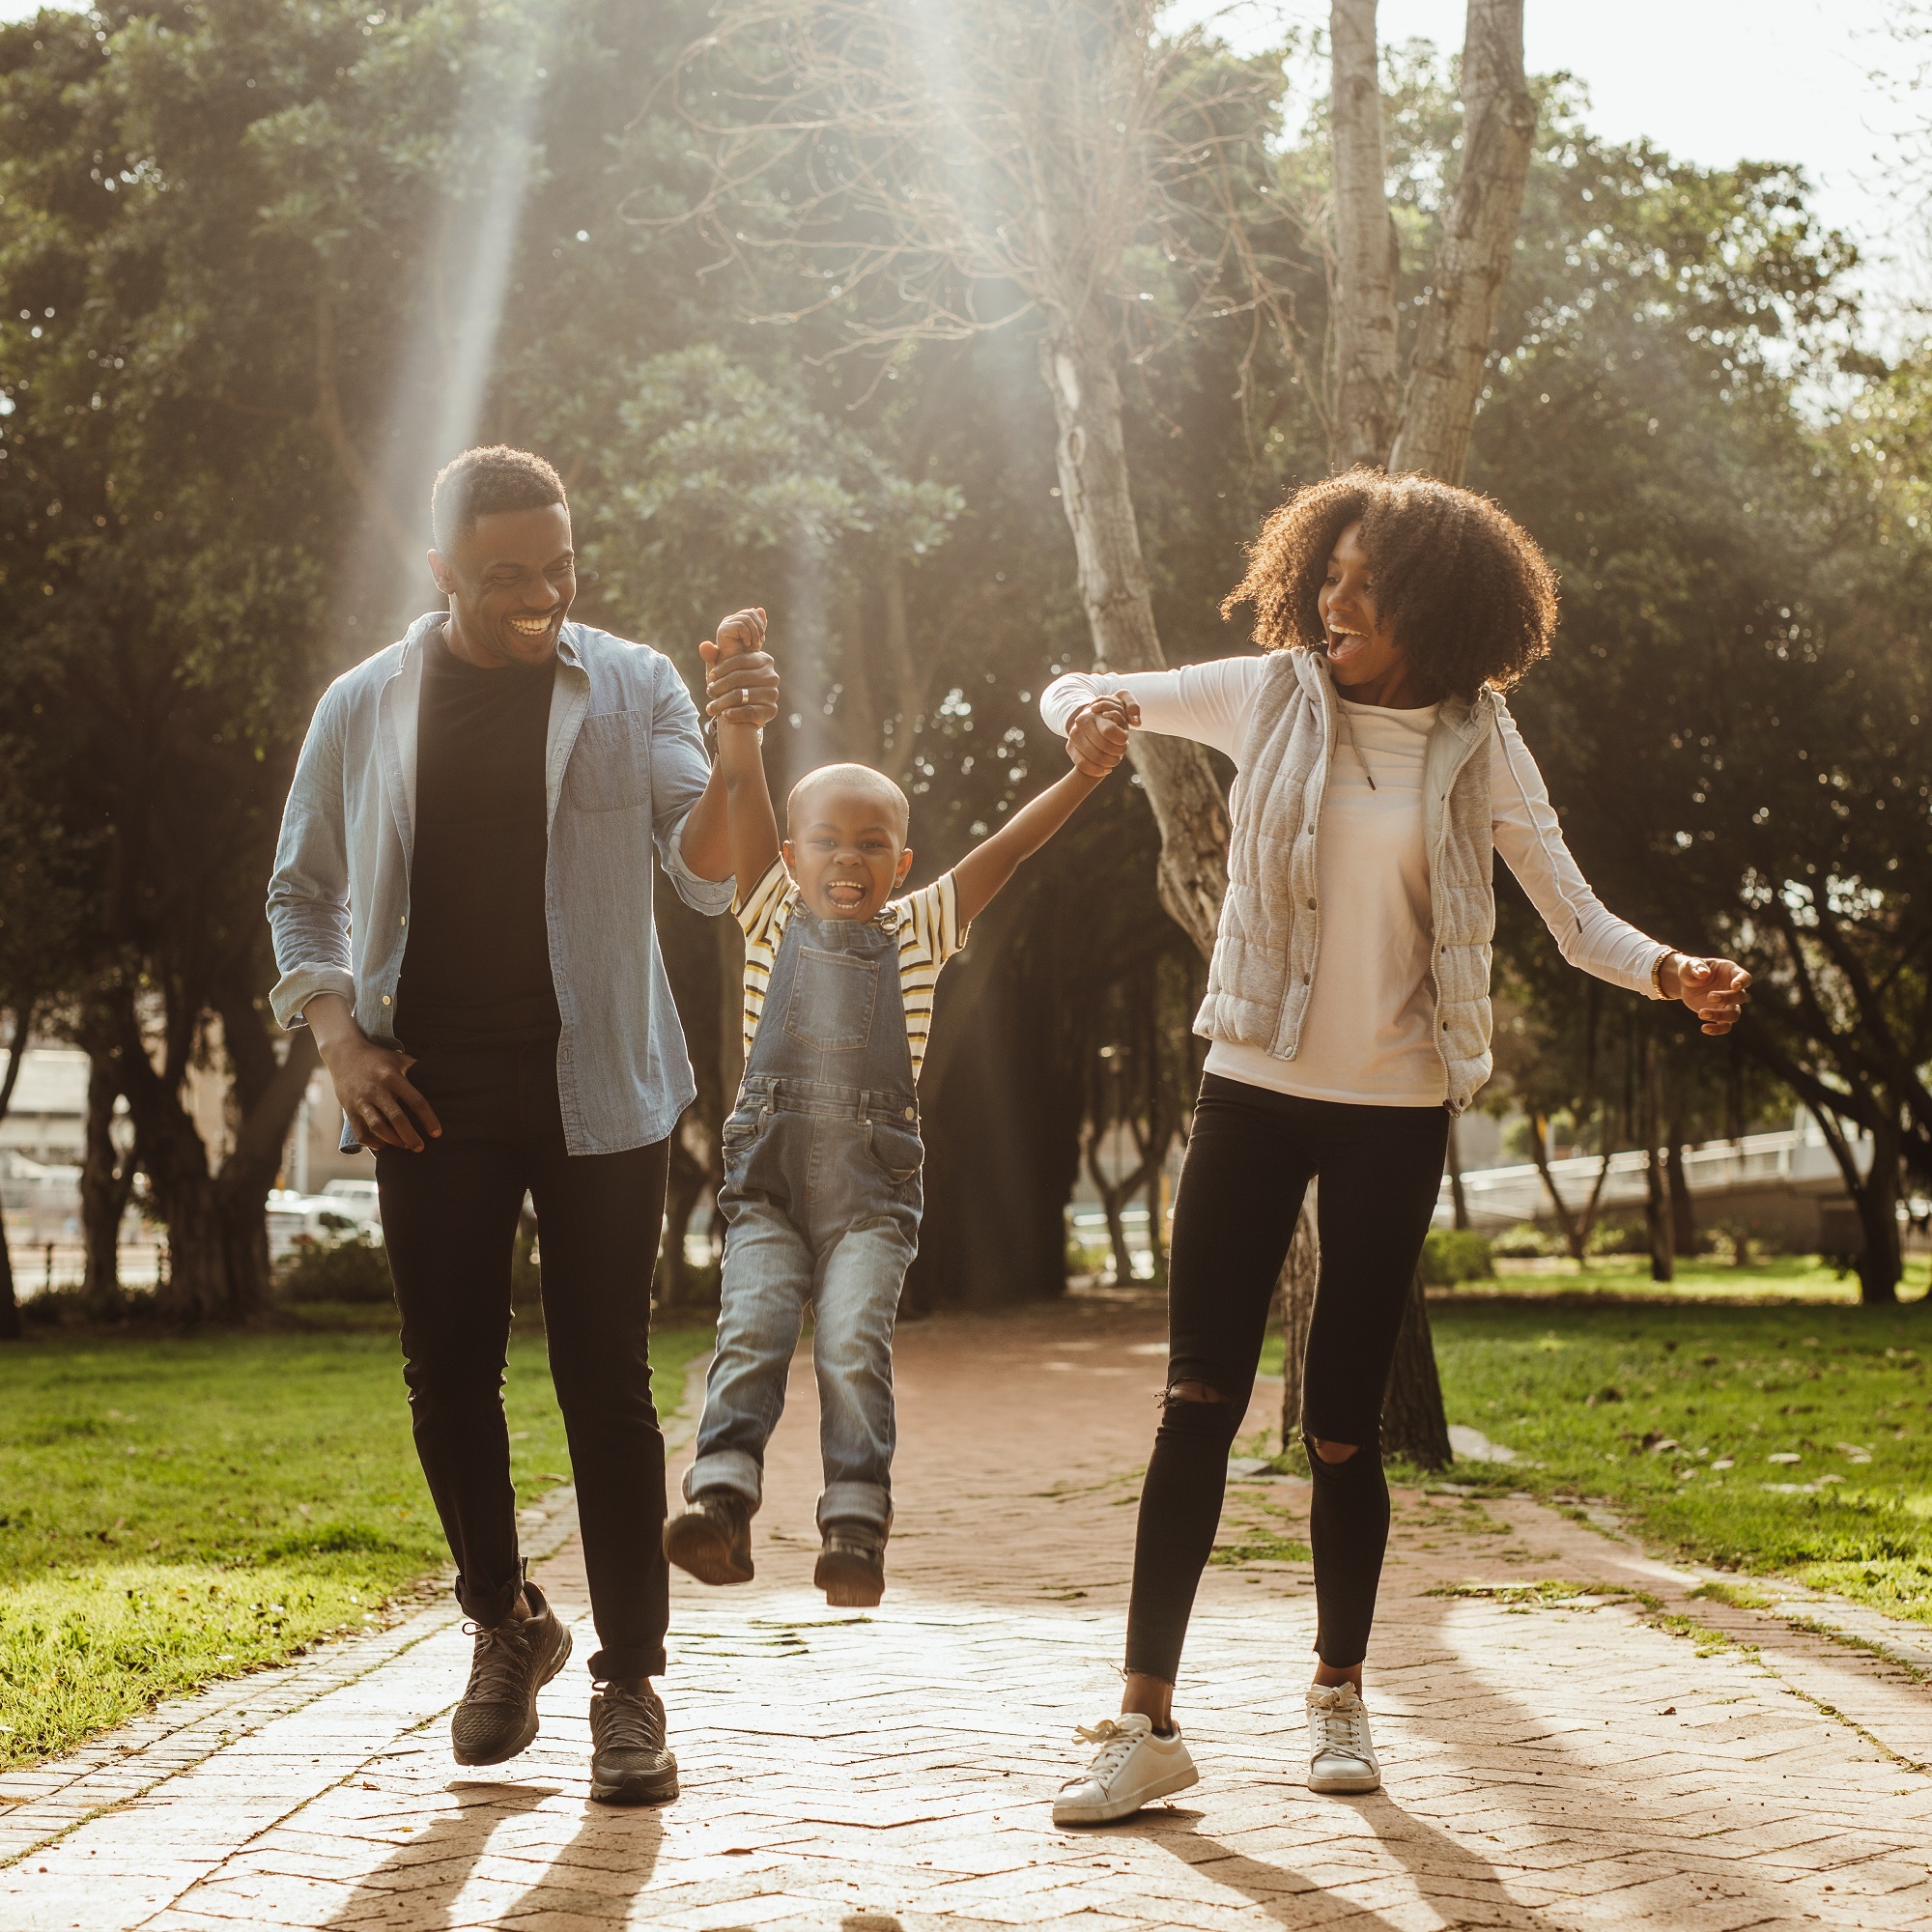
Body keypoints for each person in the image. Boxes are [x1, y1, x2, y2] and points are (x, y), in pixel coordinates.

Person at [1038, 469, 1751, 1824]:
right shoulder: (1268, 697)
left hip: (1394, 1112)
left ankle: (1338, 1697)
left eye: (1366, 584)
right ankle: (1143, 1721)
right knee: (1196, 1403)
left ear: (1437, 605)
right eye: (1328, 574)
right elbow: (1082, 683)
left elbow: (1576, 915)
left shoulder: (1480, 743)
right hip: (1250, 1086)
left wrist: (1672, 972)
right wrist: (1086, 712)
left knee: (1345, 1430)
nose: (1332, 599)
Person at [266, 446, 779, 1805]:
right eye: (508, 576)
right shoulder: (366, 706)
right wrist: (338, 1040)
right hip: (429, 1085)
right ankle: (506, 1622)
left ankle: (629, 1688)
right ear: (443, 573)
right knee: (446, 1374)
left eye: (560, 565)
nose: (542, 593)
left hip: (599, 1079)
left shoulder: (634, 684)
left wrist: (739, 741)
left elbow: (710, 871)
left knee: (603, 1379)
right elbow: (301, 891)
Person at [661, 612, 1133, 1607]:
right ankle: (719, 1499)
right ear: (788, 856)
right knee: (749, 1327)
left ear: (903, 862)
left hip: (872, 1196)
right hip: (768, 1189)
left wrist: (1086, 773)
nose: (847, 857)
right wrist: (738, 705)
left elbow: (1009, 846)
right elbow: (741, 782)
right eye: (824, 840)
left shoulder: (920, 926)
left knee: (847, 1341)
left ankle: (854, 1525)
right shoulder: (767, 906)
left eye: (870, 843)